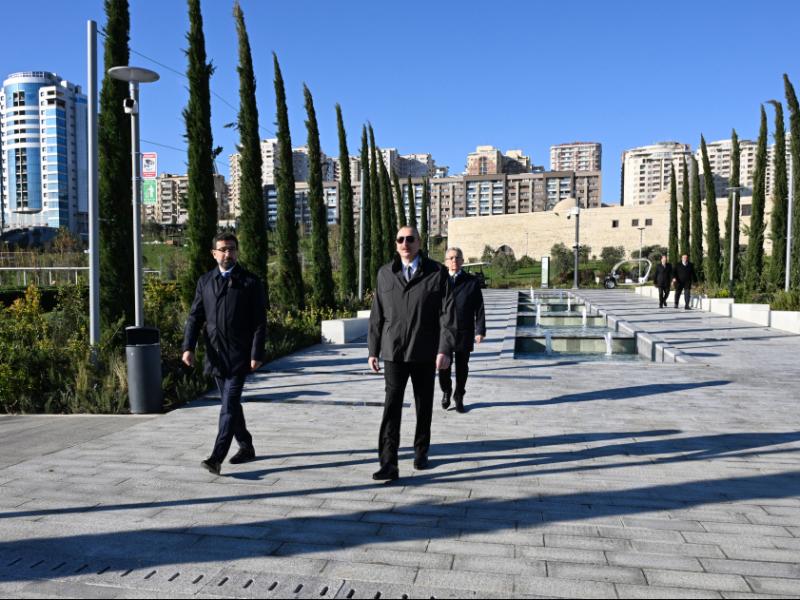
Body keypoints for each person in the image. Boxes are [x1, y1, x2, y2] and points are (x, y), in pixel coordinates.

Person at [368, 226, 457, 481]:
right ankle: (388, 462)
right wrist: (372, 350)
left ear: (419, 242)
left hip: (424, 350)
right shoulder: (385, 273)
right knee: (391, 407)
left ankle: (421, 451)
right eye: (400, 239)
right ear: (396, 244)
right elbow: (377, 315)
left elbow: (447, 315)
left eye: (410, 239)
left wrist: (444, 348)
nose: (404, 243)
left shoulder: (437, 272)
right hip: (393, 352)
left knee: (423, 405)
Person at [182, 232, 267, 475]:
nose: (228, 254)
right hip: (215, 356)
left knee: (228, 406)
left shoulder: (250, 282)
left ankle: (216, 457)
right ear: (214, 253)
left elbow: (260, 322)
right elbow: (195, 317)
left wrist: (256, 353)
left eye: (232, 249)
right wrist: (188, 347)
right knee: (231, 405)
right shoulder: (205, 281)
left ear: (237, 252)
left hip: (240, 356)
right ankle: (246, 446)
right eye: (223, 249)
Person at [439, 247, 486, 413]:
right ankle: (446, 390)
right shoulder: (440, 280)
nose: (454, 261)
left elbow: (479, 308)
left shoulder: (471, 282)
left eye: (457, 257)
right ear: (445, 262)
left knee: (462, 367)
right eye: (450, 258)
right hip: (444, 332)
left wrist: (480, 330)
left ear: (462, 261)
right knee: (443, 366)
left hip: (464, 330)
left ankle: (459, 395)